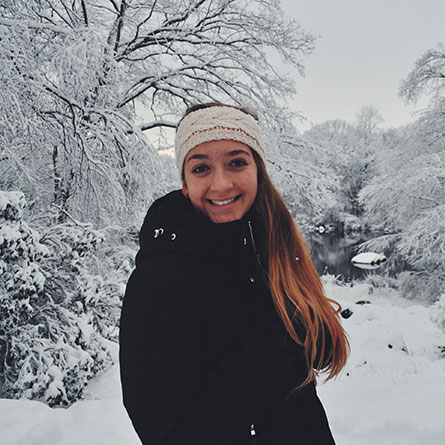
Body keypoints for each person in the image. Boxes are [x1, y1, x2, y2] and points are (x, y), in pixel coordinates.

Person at [119, 103, 349, 445]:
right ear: (184, 183)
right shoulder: (157, 283)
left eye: (236, 162)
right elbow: (172, 435)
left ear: (258, 170)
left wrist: (309, 331)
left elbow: (307, 370)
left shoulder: (267, 251)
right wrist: (281, 344)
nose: (221, 183)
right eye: (201, 168)